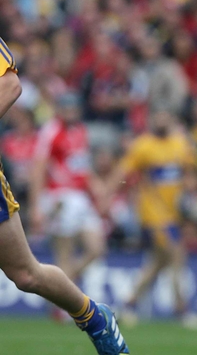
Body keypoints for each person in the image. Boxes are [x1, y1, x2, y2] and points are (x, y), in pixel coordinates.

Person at [0, 36, 130, 354]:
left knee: (26, 274)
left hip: (69, 200)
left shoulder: (73, 132)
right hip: (60, 199)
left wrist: (98, 193)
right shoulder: (55, 132)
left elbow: (9, 85)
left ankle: (94, 318)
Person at [102, 107, 197, 330]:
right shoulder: (143, 146)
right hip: (153, 213)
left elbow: (191, 171)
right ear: (151, 121)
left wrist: (191, 189)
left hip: (174, 213)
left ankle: (128, 304)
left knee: (158, 263)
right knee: (177, 255)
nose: (161, 120)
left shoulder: (180, 143)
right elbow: (123, 172)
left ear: (170, 119)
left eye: (164, 116)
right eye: (157, 116)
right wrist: (107, 196)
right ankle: (182, 310)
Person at [28, 91, 107, 322]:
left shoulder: (80, 131)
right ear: (60, 109)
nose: (71, 112)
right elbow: (39, 167)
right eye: (67, 108)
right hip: (59, 197)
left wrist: (97, 188)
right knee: (65, 253)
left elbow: (81, 166)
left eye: (74, 108)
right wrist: (36, 206)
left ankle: (57, 292)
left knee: (97, 248)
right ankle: (64, 308)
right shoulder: (51, 131)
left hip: (81, 197)